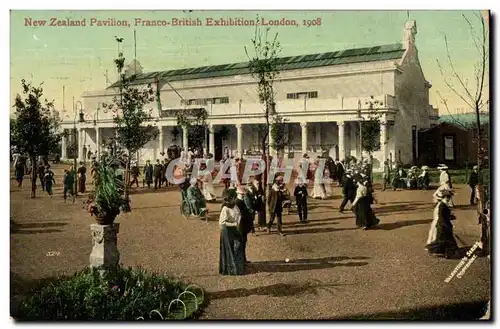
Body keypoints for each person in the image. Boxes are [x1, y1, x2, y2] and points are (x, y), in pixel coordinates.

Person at [425, 189, 458, 258]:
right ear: (443, 198)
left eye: (449, 198)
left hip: (443, 226)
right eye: (447, 198)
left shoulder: (443, 205)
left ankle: (445, 253)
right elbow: (442, 218)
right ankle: (448, 253)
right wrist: (448, 226)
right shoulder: (442, 206)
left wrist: (451, 217)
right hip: (443, 226)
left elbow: (444, 216)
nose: (448, 199)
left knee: (443, 241)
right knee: (447, 241)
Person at [219, 197, 245, 276]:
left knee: (238, 246)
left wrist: (238, 221)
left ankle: (238, 267)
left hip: (235, 229)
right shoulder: (225, 209)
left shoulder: (235, 206)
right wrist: (233, 224)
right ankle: (231, 269)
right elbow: (222, 223)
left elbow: (239, 214)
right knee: (229, 249)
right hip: (227, 231)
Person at [235, 186, 254, 263]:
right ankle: (240, 260)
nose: (243, 196)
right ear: (238, 194)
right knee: (240, 245)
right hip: (240, 227)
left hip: (244, 227)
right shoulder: (237, 203)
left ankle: (243, 259)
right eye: (241, 194)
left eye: (243, 194)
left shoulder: (241, 201)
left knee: (243, 244)